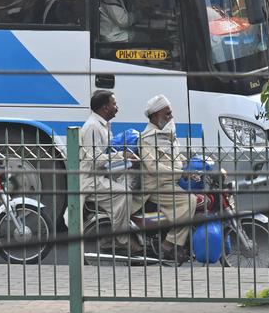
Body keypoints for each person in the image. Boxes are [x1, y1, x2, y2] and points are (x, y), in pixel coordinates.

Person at [81, 90, 140, 252]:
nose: (117, 107)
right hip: (91, 179)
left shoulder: (103, 124)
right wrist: (122, 155)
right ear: (105, 108)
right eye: (114, 104)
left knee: (133, 171)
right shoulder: (93, 127)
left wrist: (128, 161)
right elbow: (96, 160)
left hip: (102, 172)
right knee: (123, 193)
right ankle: (121, 238)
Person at [139, 95, 194, 263]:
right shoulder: (147, 139)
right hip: (156, 186)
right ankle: (170, 243)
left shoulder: (168, 132)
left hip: (171, 182)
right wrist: (180, 172)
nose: (171, 117)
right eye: (167, 114)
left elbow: (176, 155)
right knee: (190, 201)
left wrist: (189, 162)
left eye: (171, 113)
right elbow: (154, 168)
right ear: (155, 116)